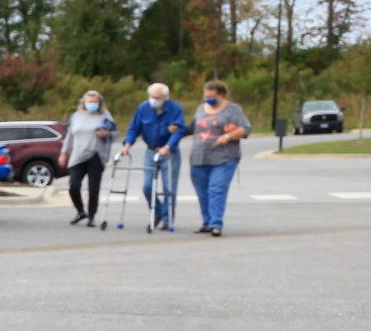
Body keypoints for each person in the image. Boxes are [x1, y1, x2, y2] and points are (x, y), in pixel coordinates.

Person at [118, 83, 187, 229]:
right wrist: (127, 144)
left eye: (157, 98)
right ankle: (158, 212)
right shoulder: (144, 108)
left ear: (165, 98)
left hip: (169, 152)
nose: (154, 100)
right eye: (152, 97)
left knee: (169, 187)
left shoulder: (175, 108)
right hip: (151, 151)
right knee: (147, 186)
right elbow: (134, 128)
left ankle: (168, 219)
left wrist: (168, 146)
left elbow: (179, 130)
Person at [188, 80, 250, 237]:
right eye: (205, 95)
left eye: (211, 95)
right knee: (202, 192)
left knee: (216, 189)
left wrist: (228, 136)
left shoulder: (233, 110)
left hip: (224, 157)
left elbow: (246, 128)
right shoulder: (201, 109)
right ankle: (207, 222)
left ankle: (216, 224)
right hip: (199, 157)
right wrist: (176, 129)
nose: (208, 98)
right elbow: (193, 127)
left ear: (221, 94)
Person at [57, 90, 115, 227]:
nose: (92, 104)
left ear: (99, 102)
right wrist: (64, 153)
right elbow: (70, 136)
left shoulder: (104, 115)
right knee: (73, 185)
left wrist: (106, 133)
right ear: (84, 102)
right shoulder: (77, 116)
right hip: (78, 154)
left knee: (93, 188)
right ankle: (80, 211)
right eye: (90, 101)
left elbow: (114, 132)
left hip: (96, 154)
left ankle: (92, 215)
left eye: (95, 102)